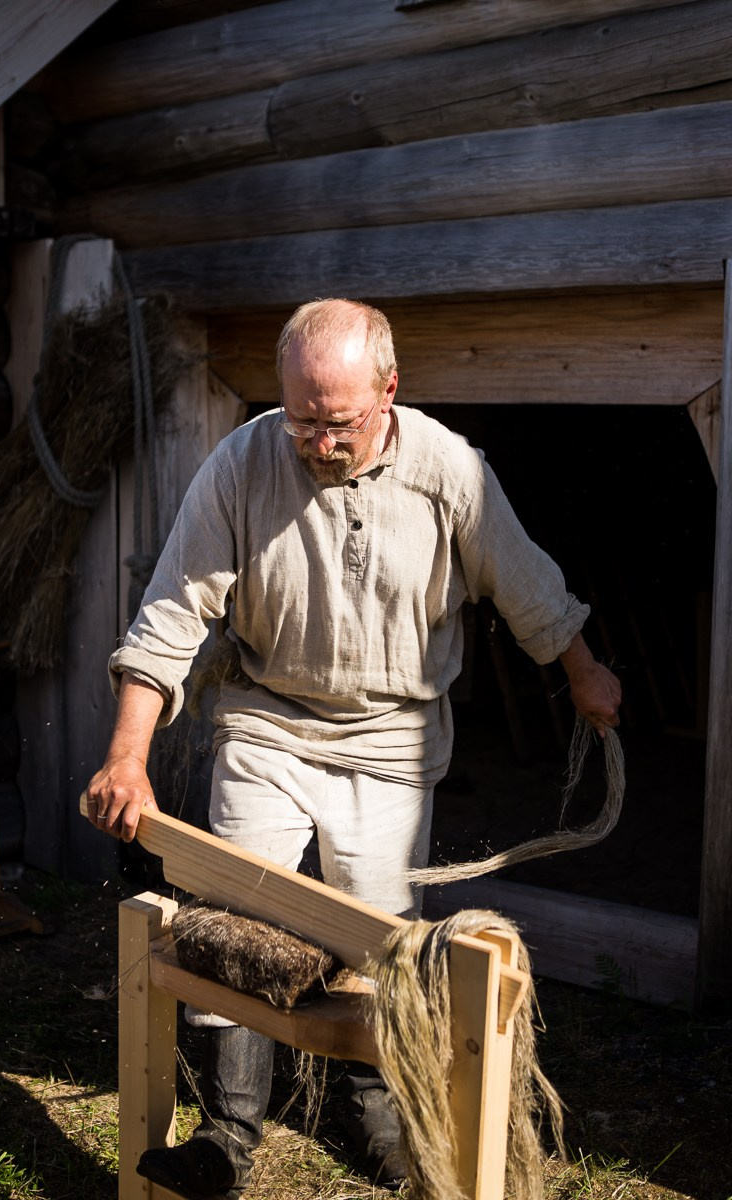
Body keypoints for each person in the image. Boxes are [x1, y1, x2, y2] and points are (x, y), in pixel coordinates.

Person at [86, 298, 621, 1199]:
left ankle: (379, 1119)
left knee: (380, 938)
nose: (315, 441)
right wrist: (128, 752)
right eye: (299, 417)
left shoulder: (449, 470)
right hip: (269, 724)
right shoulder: (244, 462)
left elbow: (525, 580)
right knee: (231, 915)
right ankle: (228, 1129)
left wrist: (581, 669)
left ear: (388, 393)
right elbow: (172, 610)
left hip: (392, 740)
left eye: (336, 423)